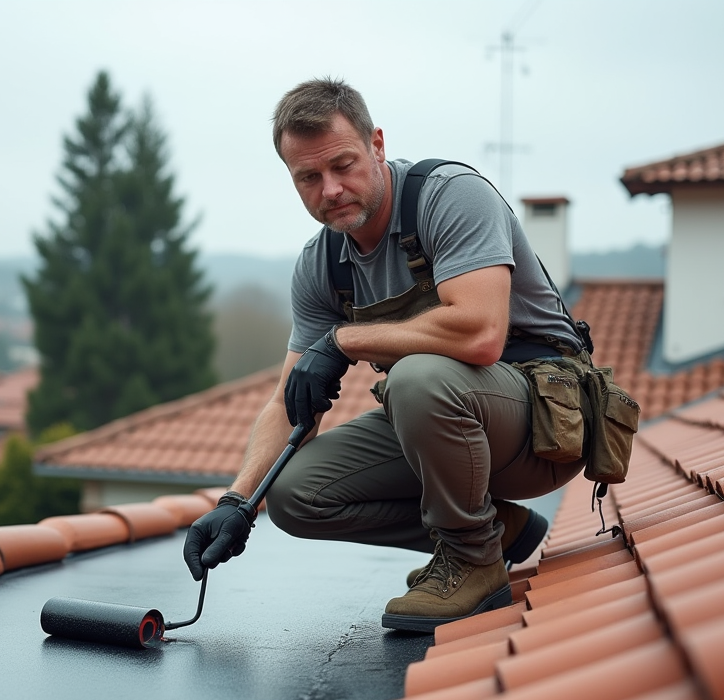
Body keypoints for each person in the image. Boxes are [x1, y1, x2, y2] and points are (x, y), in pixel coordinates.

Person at [184, 78, 589, 633]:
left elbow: (480, 334)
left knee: (418, 379)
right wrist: (237, 501)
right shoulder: (322, 265)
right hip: (449, 423)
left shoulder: (449, 196)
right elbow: (290, 399)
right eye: (308, 177)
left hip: (545, 422)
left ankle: (473, 561)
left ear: (377, 145)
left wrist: (346, 339)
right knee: (296, 494)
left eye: (343, 165)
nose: (330, 189)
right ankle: (501, 531)